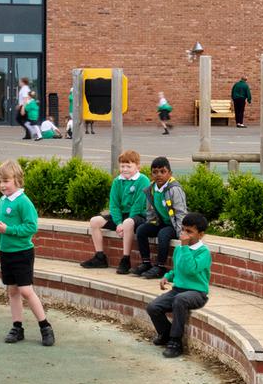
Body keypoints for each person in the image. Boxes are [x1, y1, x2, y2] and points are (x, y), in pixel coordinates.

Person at [0, 159, 54, 347]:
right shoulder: (3, 201)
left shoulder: (23, 201)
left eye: (6, 181)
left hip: (22, 252)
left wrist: (9, 230)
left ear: (17, 180)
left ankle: (45, 326)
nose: (2, 185)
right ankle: (17, 327)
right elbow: (3, 224)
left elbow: (31, 226)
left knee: (26, 290)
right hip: (6, 252)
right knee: (12, 291)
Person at [146, 212, 210, 359]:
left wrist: (185, 246)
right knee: (153, 307)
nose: (184, 234)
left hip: (197, 292)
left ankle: (175, 342)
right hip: (178, 290)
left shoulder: (203, 252)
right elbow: (179, 269)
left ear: (200, 234)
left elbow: (190, 269)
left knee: (180, 300)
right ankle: (166, 334)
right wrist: (167, 276)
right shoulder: (180, 249)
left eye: (189, 231)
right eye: (183, 230)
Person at [79, 150, 148, 273]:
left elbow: (138, 206)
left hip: (138, 216)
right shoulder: (117, 181)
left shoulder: (143, 180)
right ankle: (100, 257)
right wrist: (118, 223)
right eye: (122, 166)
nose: (125, 169)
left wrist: (123, 224)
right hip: (121, 218)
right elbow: (114, 205)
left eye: (128, 166)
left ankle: (126, 259)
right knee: (95, 221)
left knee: (128, 222)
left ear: (137, 166)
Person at [134, 157, 187, 280]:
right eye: (155, 172)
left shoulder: (174, 189)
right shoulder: (151, 189)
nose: (159, 175)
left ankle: (160, 266)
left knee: (163, 234)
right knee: (141, 230)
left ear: (170, 173)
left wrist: (181, 234)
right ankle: (146, 263)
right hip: (161, 222)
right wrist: (151, 224)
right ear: (151, 174)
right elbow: (150, 210)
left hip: (174, 226)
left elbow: (181, 213)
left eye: (162, 172)